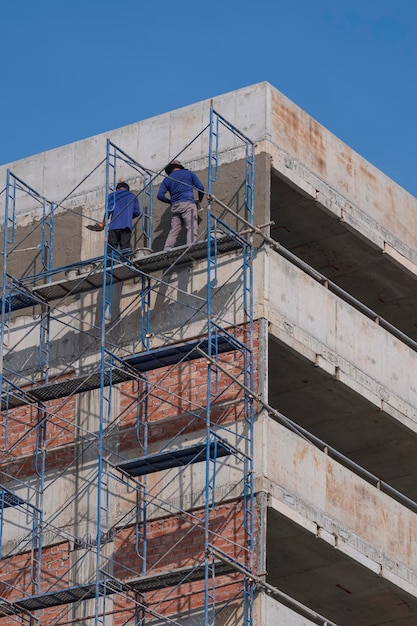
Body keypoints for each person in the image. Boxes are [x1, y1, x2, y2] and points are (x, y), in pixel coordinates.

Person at [157, 160, 204, 250]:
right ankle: (191, 245)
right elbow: (200, 188)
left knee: (174, 229)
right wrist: (199, 200)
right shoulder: (189, 174)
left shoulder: (167, 179)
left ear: (170, 169)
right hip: (188, 203)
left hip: (175, 206)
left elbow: (159, 196)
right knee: (191, 226)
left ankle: (167, 248)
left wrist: (170, 202)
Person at [99, 182, 140, 252]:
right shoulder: (132, 196)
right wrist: (128, 215)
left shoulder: (112, 196)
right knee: (125, 247)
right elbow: (137, 212)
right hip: (126, 226)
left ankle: (109, 262)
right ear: (127, 189)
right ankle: (124, 262)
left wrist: (102, 224)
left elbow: (108, 211)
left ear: (117, 189)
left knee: (111, 249)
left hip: (114, 226)